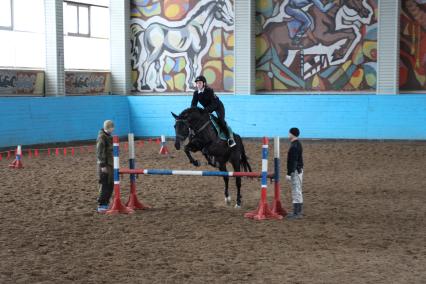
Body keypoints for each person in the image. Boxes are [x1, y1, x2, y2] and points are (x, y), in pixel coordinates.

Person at [191, 75, 236, 147]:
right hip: (208, 109)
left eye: (200, 83)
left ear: (204, 84)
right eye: (197, 83)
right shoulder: (196, 93)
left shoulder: (209, 91)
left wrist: (205, 110)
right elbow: (193, 105)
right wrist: (193, 112)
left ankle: (230, 139)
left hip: (218, 106)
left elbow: (214, 103)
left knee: (221, 121)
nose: (198, 84)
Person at [96, 120, 115, 213]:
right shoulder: (102, 137)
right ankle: (101, 205)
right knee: (105, 185)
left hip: (110, 164)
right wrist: (102, 165)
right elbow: (99, 152)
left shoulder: (108, 136)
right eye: (111, 128)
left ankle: (106, 203)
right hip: (105, 164)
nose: (112, 130)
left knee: (110, 184)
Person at [286, 127, 304, 219]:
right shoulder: (297, 144)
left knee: (296, 191)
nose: (288, 134)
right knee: (297, 190)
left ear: (292, 134)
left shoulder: (294, 146)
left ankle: (297, 213)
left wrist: (289, 173)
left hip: (295, 171)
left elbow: (293, 161)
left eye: (289, 133)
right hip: (298, 170)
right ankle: (298, 212)